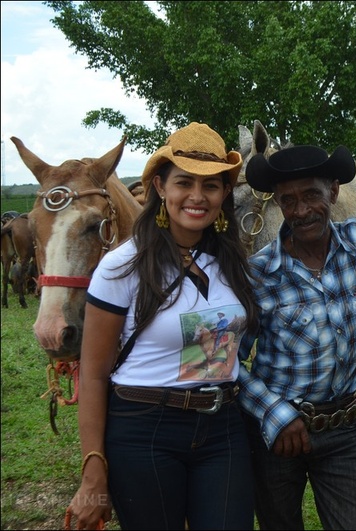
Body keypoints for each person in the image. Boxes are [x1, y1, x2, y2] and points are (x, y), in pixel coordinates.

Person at [67, 122, 260, 530]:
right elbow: (95, 374)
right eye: (184, 182)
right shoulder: (122, 266)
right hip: (144, 430)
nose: (197, 196)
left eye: (211, 185)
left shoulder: (233, 263)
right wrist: (93, 469)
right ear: (160, 187)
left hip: (222, 427)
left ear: (225, 193)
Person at [238, 144, 356, 530]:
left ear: (334, 192)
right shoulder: (257, 275)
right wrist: (274, 413)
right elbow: (224, 362)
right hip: (277, 435)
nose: (301, 210)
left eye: (312, 195)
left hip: (343, 430)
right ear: (277, 203)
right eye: (288, 200)